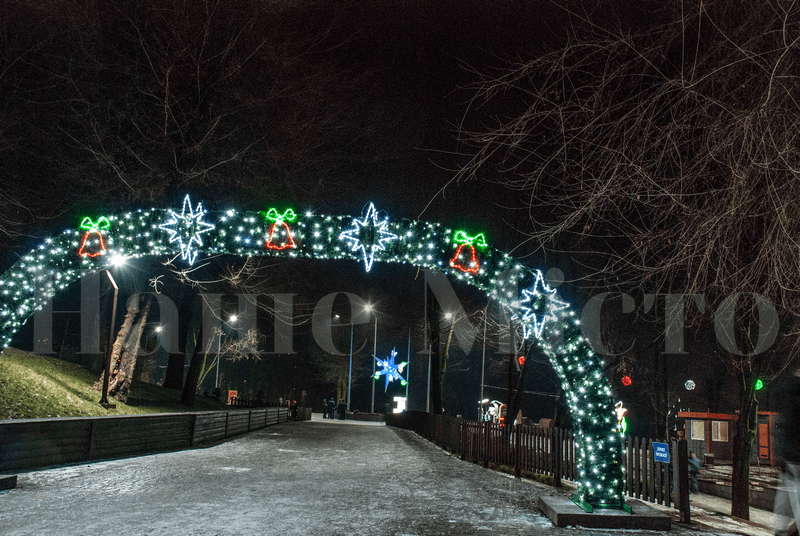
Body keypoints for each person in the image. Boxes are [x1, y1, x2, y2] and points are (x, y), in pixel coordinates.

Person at [775, 366, 800, 536]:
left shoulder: (788, 391)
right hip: (794, 458)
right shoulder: (792, 394)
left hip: (790, 457)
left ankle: (782, 532)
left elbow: (785, 425)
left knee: (784, 505)